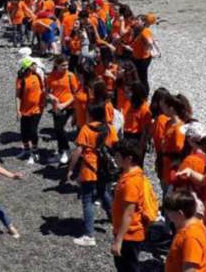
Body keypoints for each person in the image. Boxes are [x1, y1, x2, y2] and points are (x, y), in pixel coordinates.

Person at [68, 103, 118, 247]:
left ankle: (89, 235)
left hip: (89, 169)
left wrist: (71, 170)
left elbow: (78, 151)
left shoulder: (86, 129)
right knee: (103, 193)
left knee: (87, 200)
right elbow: (115, 146)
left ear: (90, 114)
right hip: (104, 169)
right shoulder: (109, 128)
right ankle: (115, 219)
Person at [111, 141, 149, 272]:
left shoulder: (130, 183)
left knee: (128, 268)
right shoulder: (132, 175)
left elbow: (128, 214)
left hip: (129, 234)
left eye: (117, 156)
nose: (115, 158)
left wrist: (118, 240)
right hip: (128, 232)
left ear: (129, 158)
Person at [163, 190, 206, 272]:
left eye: (170, 213)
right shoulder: (192, 224)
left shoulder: (191, 237)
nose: (168, 217)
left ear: (180, 214)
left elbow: (190, 269)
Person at [45, 56, 79, 165]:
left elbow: (76, 94)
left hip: (68, 106)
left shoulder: (70, 75)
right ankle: (61, 152)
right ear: (57, 65)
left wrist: (64, 104)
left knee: (61, 128)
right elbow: (46, 91)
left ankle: (67, 151)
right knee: (57, 129)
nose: (66, 67)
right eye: (63, 65)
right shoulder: (51, 76)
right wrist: (52, 97)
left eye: (67, 65)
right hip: (56, 107)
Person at [15, 58, 43, 165]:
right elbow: (18, 95)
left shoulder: (38, 75)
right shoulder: (21, 79)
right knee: (24, 132)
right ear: (28, 67)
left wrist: (43, 103)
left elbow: (43, 89)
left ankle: (34, 153)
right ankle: (26, 150)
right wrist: (17, 110)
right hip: (25, 110)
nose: (35, 66)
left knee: (33, 131)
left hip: (36, 109)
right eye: (33, 65)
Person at [130, 14, 155, 92]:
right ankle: (140, 91)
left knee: (143, 78)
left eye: (138, 20)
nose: (136, 21)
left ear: (143, 22)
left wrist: (147, 46)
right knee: (138, 76)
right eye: (136, 20)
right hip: (137, 57)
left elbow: (150, 42)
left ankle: (145, 93)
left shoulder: (145, 31)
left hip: (143, 59)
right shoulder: (137, 30)